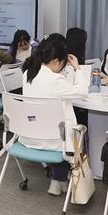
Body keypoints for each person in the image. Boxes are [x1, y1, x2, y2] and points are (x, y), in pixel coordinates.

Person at [21, 34, 90, 196]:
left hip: (29, 135)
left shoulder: (28, 74)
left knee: (61, 124)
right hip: (52, 140)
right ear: (56, 61)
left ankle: (58, 180)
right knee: (76, 131)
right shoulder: (54, 80)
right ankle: (62, 179)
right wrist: (77, 69)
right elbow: (82, 91)